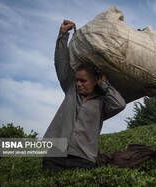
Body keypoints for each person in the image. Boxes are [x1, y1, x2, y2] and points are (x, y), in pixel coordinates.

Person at [42, 20, 126, 171]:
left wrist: (104, 84)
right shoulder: (70, 89)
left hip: (83, 158)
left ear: (94, 81)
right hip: (54, 154)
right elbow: (61, 62)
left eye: (83, 81)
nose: (78, 84)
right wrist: (63, 35)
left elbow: (119, 104)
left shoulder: (102, 102)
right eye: (77, 80)